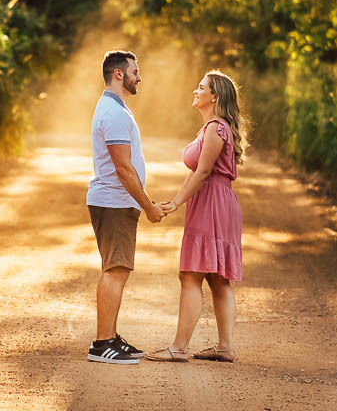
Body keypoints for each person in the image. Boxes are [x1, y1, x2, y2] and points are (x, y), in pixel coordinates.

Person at [146, 70, 247, 363]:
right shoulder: (213, 128)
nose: (195, 90)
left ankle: (179, 348)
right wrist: (178, 200)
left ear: (214, 96)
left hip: (212, 202)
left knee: (191, 274)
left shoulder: (215, 129)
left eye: (201, 87)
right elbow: (197, 172)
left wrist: (177, 202)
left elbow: (202, 172)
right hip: (218, 201)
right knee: (217, 278)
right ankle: (225, 347)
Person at [86, 50, 166, 365]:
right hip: (114, 202)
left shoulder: (115, 108)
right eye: (135, 71)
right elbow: (123, 168)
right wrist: (148, 206)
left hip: (117, 202)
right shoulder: (114, 113)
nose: (139, 77)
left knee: (117, 270)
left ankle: (110, 336)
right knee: (115, 271)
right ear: (119, 74)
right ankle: (102, 344)